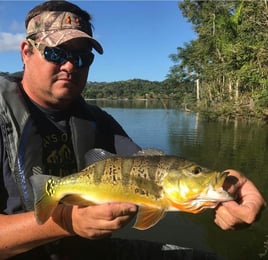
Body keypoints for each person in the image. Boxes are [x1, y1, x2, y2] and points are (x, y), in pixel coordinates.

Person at [0, 1, 265, 259]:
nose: (70, 66)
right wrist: (67, 222)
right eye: (56, 53)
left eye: (82, 57)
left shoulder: (96, 121)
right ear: (26, 51)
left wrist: (229, 183)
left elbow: (156, 170)